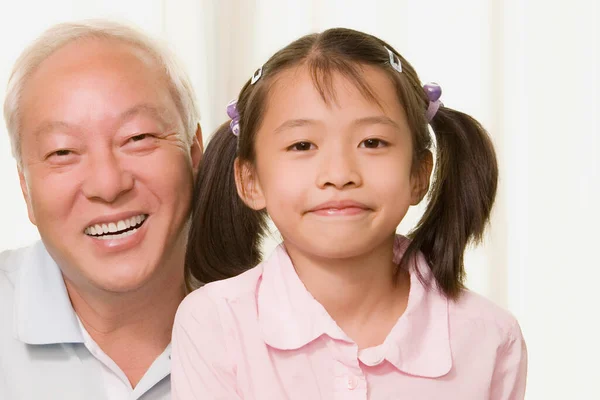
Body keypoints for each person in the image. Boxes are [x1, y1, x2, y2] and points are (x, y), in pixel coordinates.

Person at [172, 27, 527, 399]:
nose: (339, 174)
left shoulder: (489, 336)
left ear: (420, 173)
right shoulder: (214, 321)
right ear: (250, 179)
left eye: (372, 142)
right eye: (302, 145)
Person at [0, 19, 202, 399]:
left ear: (194, 153)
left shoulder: (287, 318)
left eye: (137, 138)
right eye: (62, 152)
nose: (108, 186)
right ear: (25, 188)